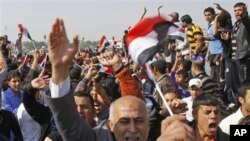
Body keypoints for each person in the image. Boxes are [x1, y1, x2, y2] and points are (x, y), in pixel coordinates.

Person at [45, 18, 149, 141]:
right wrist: (59, 70)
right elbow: (69, 122)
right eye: (124, 121)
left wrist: (119, 68)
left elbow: (134, 104)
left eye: (139, 121)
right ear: (111, 125)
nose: (132, 129)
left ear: (148, 125)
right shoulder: (97, 137)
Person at [203, 7, 223, 86]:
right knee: (213, 73)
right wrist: (208, 53)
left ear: (213, 15)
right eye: (205, 15)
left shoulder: (217, 24)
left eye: (209, 15)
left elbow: (215, 36)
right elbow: (210, 41)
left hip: (219, 51)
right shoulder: (209, 25)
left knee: (219, 73)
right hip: (213, 52)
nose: (207, 17)